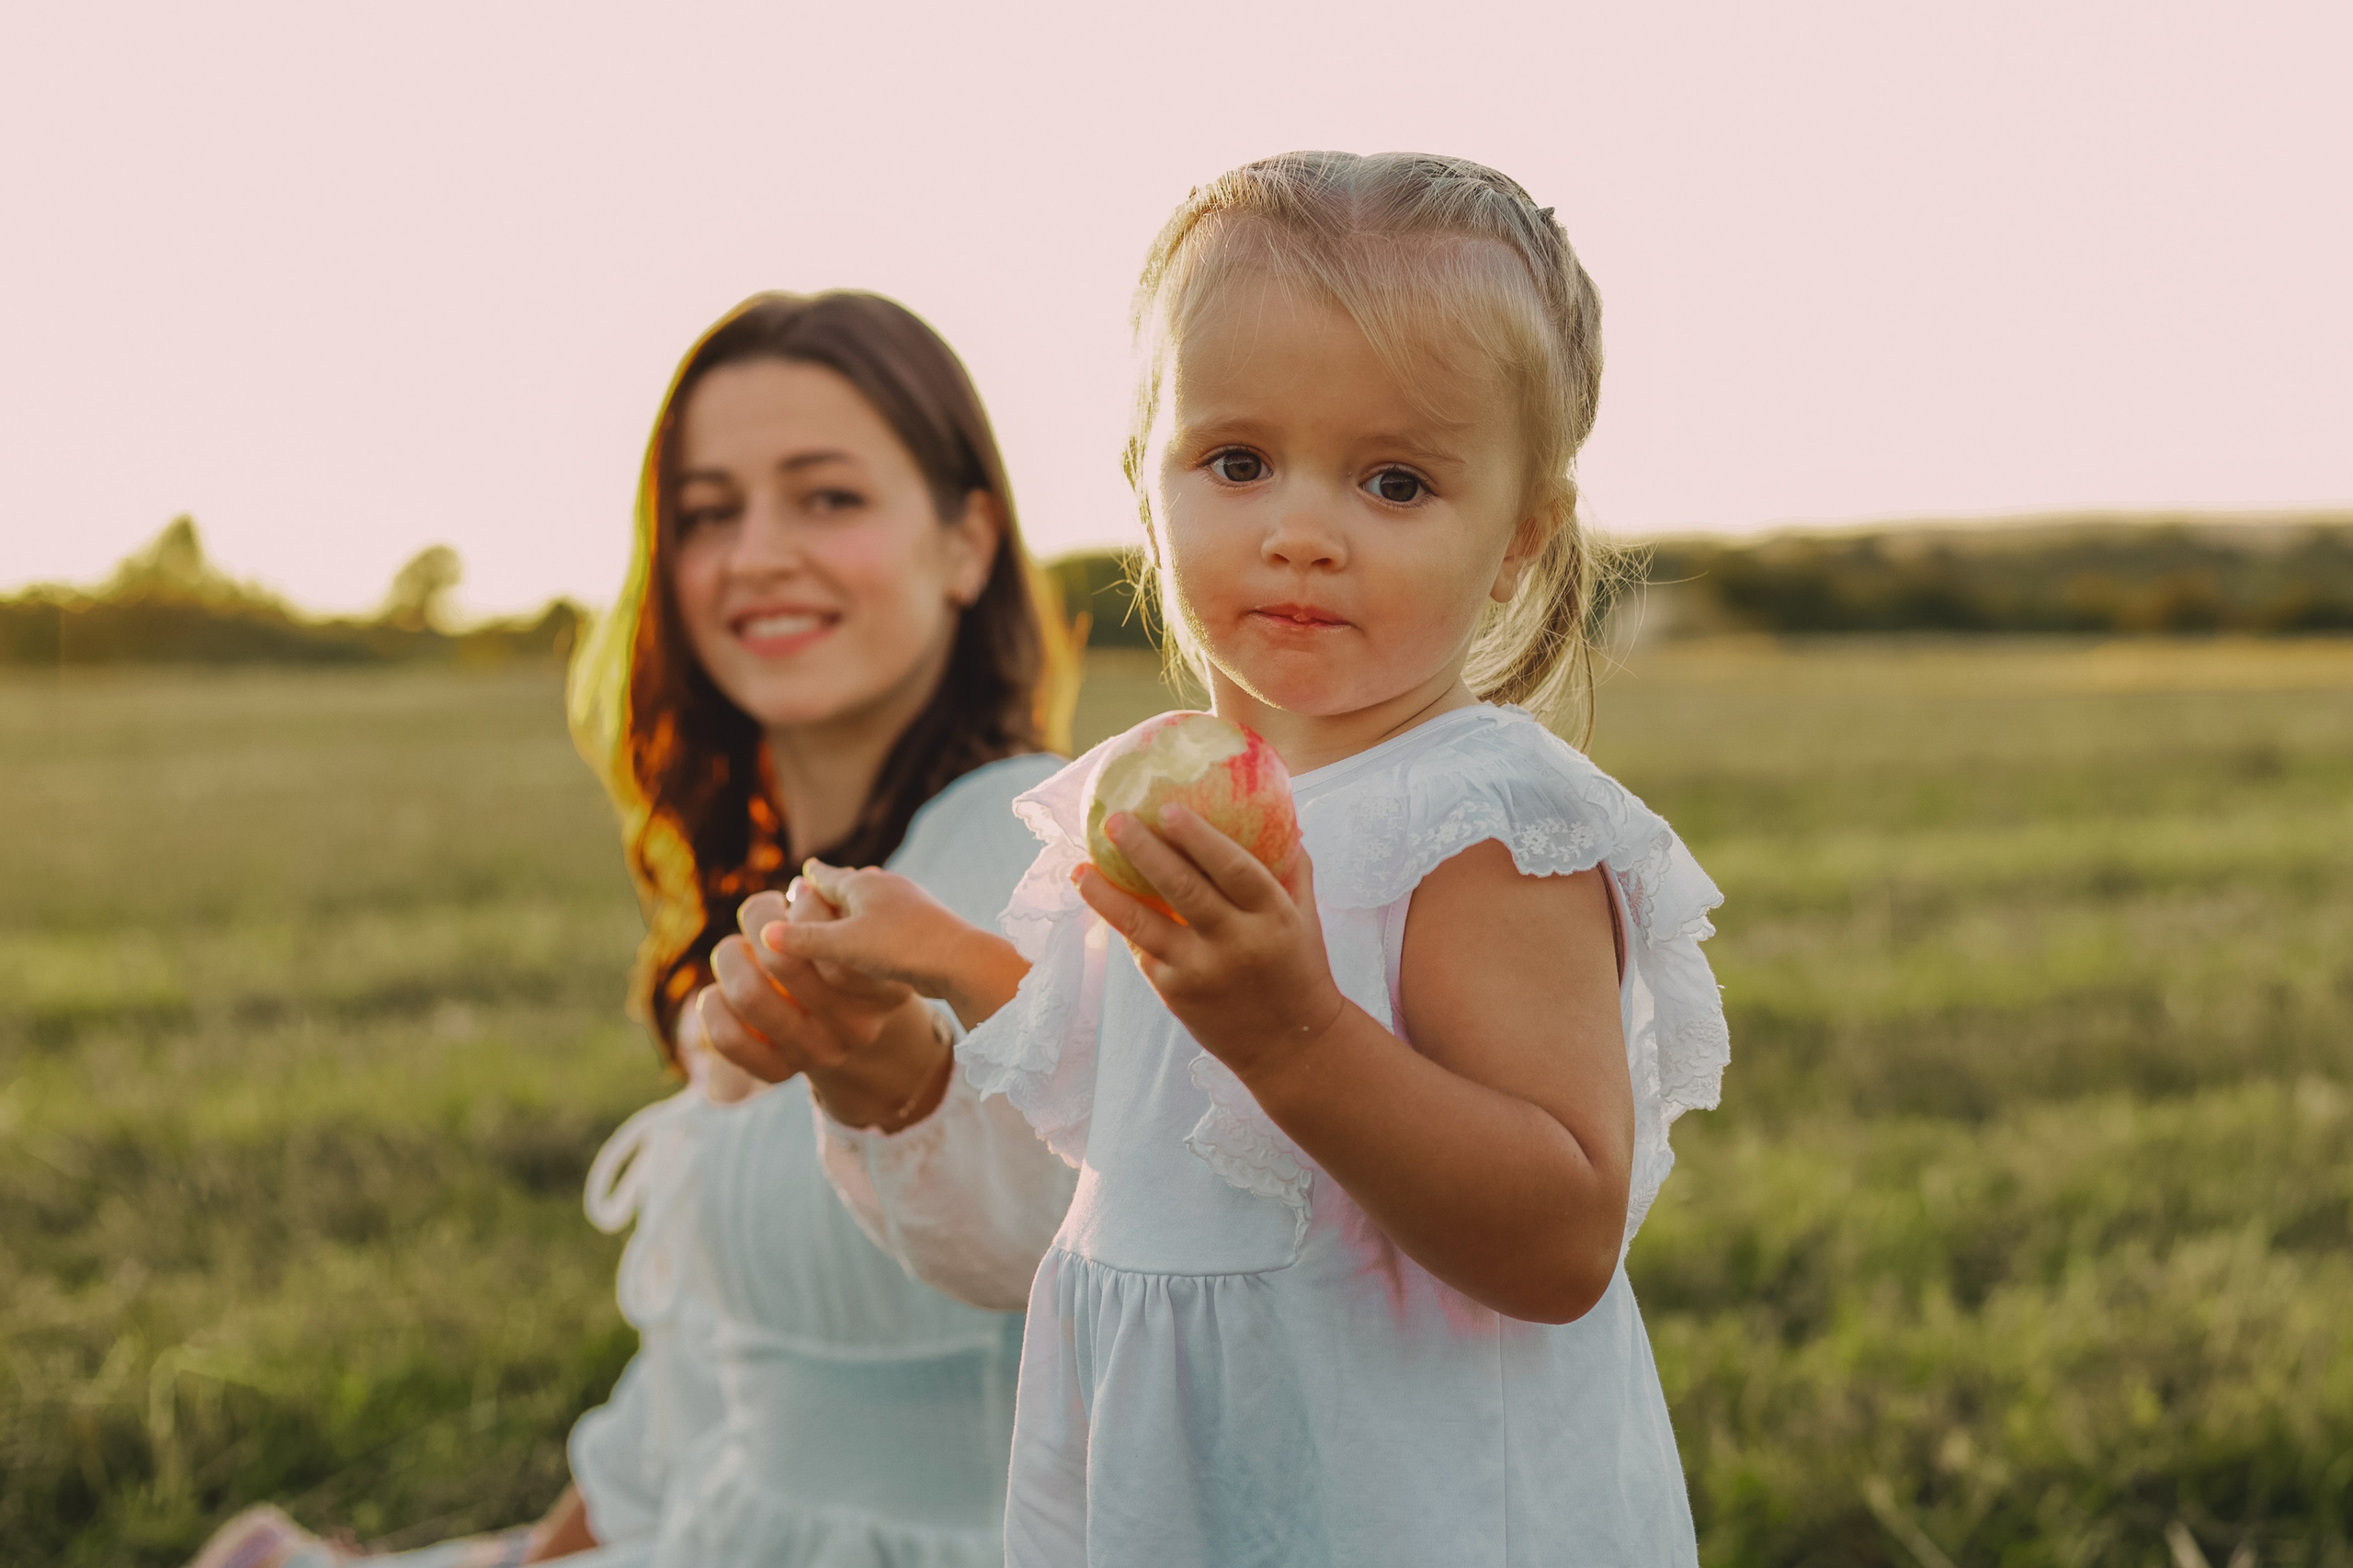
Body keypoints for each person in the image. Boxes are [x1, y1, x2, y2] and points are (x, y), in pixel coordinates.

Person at [705, 152, 1733, 1566]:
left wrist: (1300, 1033)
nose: (1301, 532)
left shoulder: (1482, 821)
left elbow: (1559, 1240)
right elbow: (1126, 1121)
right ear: (1150, 476)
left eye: (1395, 480)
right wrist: (917, 983)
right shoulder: (1161, 789)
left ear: (1518, 540)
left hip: (1415, 1510)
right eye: (1238, 462)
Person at [186, 289, 1076, 1568]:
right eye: (710, 512)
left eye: (828, 497)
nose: (759, 551)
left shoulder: (1031, 854)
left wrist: (901, 1079)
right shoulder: (764, 893)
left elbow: (1060, 1229)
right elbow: (701, 1392)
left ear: (966, 542)